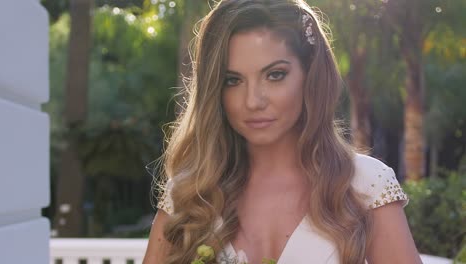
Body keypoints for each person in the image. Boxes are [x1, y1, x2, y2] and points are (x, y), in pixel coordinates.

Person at [143, 0, 422, 263]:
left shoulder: (365, 185)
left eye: (275, 75)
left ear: (309, 74)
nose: (253, 101)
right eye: (232, 80)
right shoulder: (190, 196)